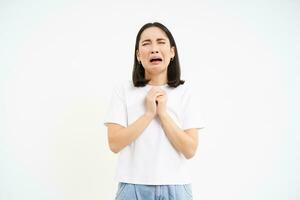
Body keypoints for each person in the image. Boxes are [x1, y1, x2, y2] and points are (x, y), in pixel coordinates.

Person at [104, 22, 204, 200]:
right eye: (146, 43)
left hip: (177, 188)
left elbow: (190, 149)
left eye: (160, 42)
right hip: (132, 188)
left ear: (172, 52)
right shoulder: (123, 90)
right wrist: (149, 114)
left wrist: (163, 114)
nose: (154, 49)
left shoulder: (185, 92)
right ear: (138, 55)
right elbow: (114, 143)